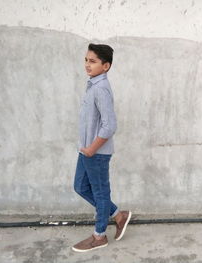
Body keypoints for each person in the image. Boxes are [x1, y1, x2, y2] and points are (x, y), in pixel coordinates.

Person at [72, 43, 132, 252]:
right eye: (86, 60)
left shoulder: (101, 89)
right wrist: (85, 148)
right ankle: (117, 215)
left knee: (100, 193)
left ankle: (99, 236)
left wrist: (92, 149)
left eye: (93, 61)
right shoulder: (92, 85)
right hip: (87, 150)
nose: (87, 65)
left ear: (105, 66)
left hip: (96, 153)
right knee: (80, 187)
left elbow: (110, 125)